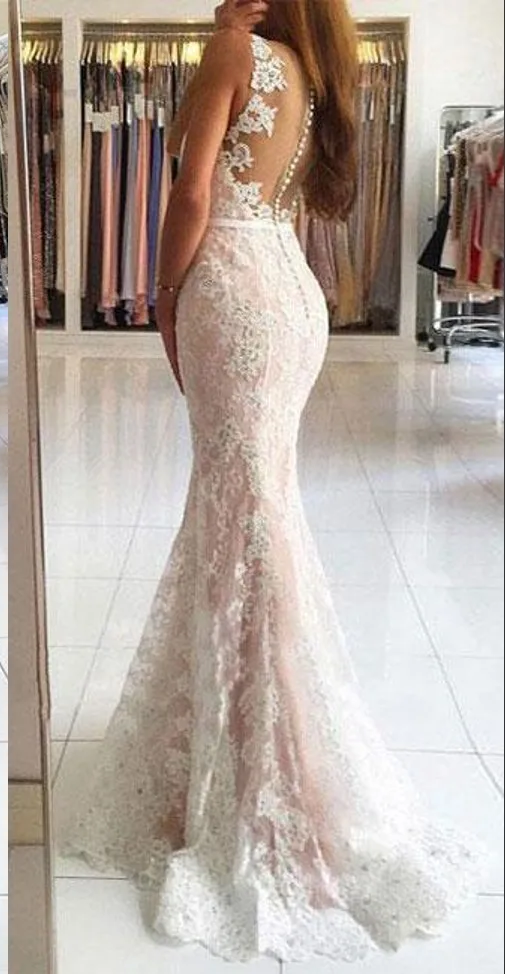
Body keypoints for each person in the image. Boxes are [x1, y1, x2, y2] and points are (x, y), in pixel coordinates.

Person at [63, 0, 484, 961]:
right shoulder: (312, 63)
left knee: (245, 521)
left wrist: (164, 297)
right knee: (254, 514)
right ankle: (249, 717)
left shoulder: (235, 49)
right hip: (287, 288)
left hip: (232, 289)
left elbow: (190, 193)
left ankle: (270, 751)